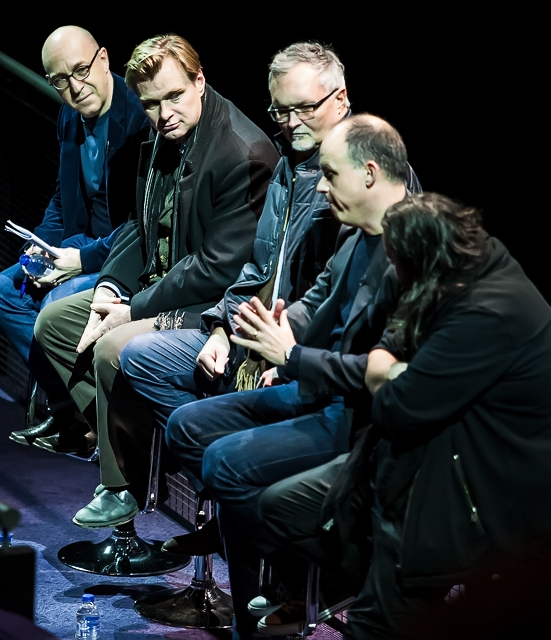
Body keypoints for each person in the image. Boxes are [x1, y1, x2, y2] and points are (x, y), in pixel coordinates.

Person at [259, 192, 551, 639]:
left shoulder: (487, 313)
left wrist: (379, 372)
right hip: (424, 457)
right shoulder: (459, 266)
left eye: (396, 271)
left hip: (477, 496)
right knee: (283, 507)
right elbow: (392, 346)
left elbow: (394, 406)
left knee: (371, 625)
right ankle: (359, 580)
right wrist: (386, 364)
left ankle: (382, 593)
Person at [158, 115, 420, 637]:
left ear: (370, 174)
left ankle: (291, 583)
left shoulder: (410, 251)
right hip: (314, 391)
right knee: (186, 427)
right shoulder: (355, 239)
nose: (320, 186)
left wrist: (291, 355)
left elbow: (382, 377)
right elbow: (315, 301)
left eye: (329, 175)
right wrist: (269, 328)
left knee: (225, 463)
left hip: (356, 418)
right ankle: (276, 563)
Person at [32, 34, 278, 524]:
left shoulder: (242, 152)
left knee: (110, 346)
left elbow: (216, 267)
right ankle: (137, 447)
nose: (163, 112)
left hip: (205, 310)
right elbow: (139, 228)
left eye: (174, 96)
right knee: (54, 325)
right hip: (154, 289)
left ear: (200, 81)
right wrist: (108, 285)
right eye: (150, 103)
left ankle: (121, 481)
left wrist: (133, 308)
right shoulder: (161, 136)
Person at [118, 41, 353, 536]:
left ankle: (241, 502)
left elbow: (337, 297)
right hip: (253, 340)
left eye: (303, 109)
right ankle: (232, 496)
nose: (290, 123)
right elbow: (256, 267)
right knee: (140, 356)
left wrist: (283, 353)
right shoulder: (289, 167)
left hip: (310, 367)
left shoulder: (359, 178)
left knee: (210, 437)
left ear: (341, 99)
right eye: (280, 111)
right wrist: (224, 327)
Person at [0, 26, 150, 445]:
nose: (75, 87)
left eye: (81, 70)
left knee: (55, 304)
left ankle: (106, 421)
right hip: (78, 244)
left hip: (121, 254)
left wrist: (80, 262)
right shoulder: (69, 116)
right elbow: (62, 199)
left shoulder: (140, 121)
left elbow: (140, 223)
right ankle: (67, 409)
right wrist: (39, 248)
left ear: (105, 59)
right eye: (60, 80)